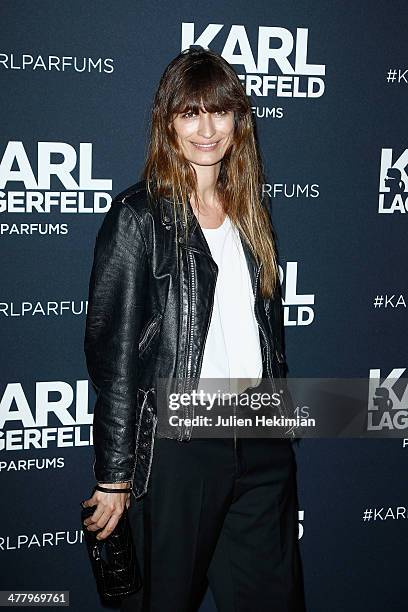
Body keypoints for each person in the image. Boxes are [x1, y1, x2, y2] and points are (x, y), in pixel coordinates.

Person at [82, 46, 306, 611]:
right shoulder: (139, 217)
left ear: (238, 119)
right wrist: (114, 474)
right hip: (180, 443)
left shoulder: (251, 211)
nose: (207, 128)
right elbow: (114, 360)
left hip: (259, 439)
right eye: (190, 113)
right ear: (168, 122)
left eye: (219, 111)